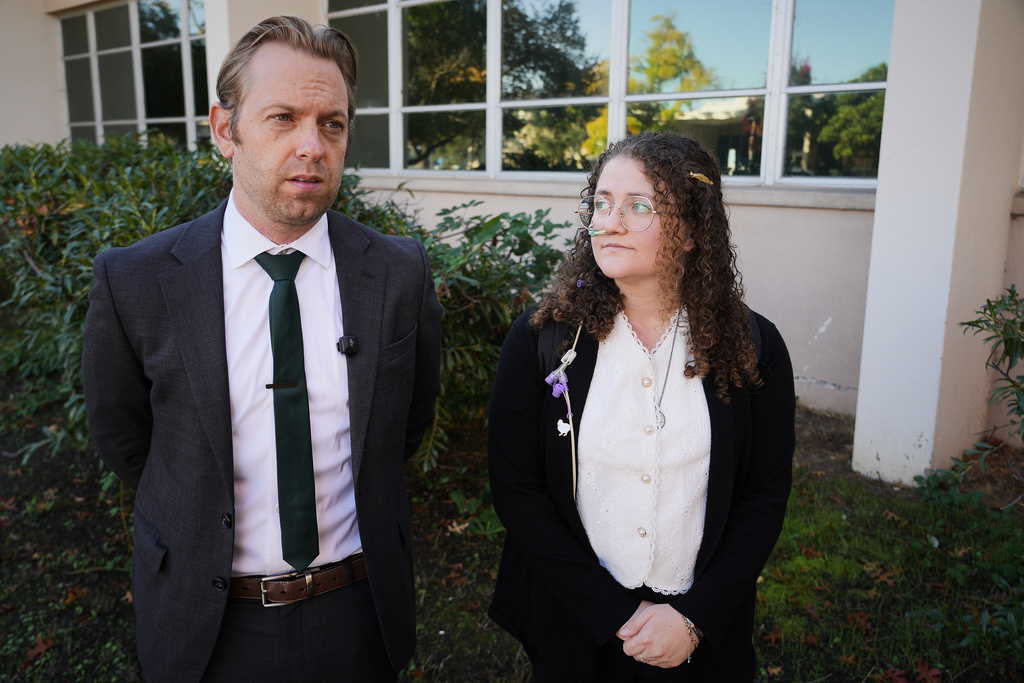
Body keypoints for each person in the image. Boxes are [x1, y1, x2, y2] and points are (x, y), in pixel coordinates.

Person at [82, 16, 442, 683]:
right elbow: (124, 438)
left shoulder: (398, 273)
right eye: (283, 118)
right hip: (208, 623)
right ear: (225, 130)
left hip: (359, 613)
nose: (312, 145)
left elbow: (406, 426)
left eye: (332, 124)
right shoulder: (136, 281)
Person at [487, 131, 795, 681]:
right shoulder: (544, 339)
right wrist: (614, 613)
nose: (610, 222)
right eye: (602, 203)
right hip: (576, 621)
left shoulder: (752, 346)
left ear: (693, 230)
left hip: (701, 631)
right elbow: (517, 489)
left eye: (638, 206)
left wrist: (697, 617)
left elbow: (763, 495)